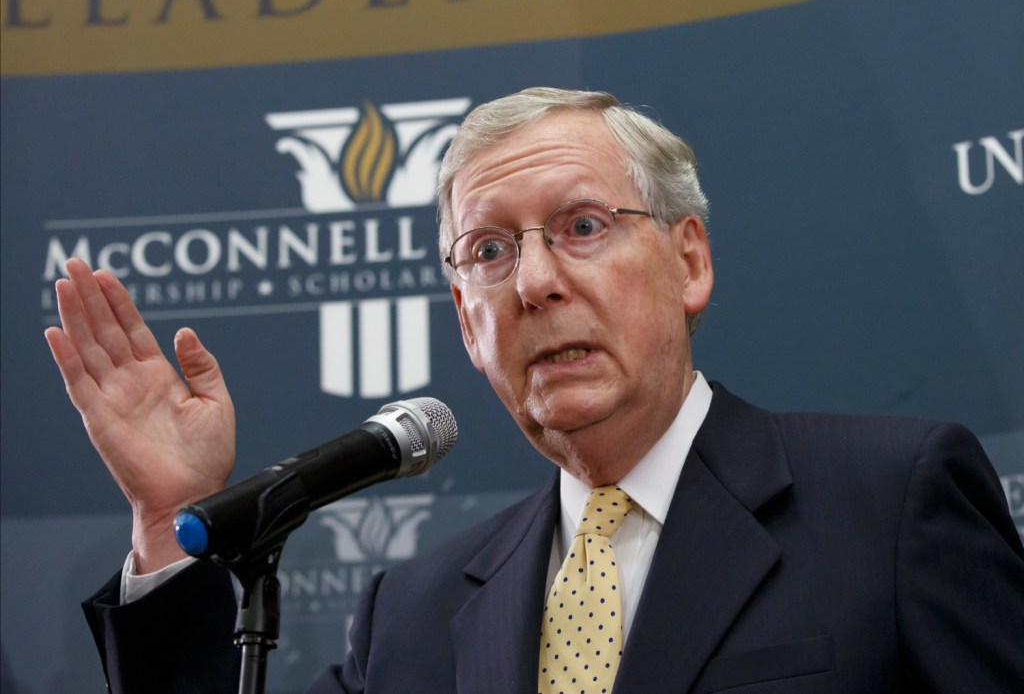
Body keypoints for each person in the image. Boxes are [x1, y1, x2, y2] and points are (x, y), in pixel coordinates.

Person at [46, 88, 1023, 693]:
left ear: (688, 260)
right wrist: (170, 514)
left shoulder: (890, 501)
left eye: (583, 225)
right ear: (467, 322)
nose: (534, 281)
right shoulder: (413, 614)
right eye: (488, 250)